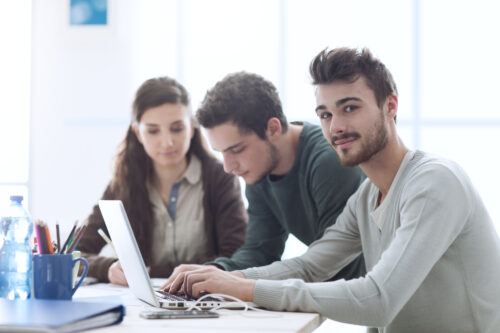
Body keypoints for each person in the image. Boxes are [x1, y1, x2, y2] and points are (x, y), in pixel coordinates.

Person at [164, 48, 500, 332]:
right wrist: (225, 279)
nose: (335, 127)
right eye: (325, 114)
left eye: (349, 108)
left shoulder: (434, 182)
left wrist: (248, 288)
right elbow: (310, 267)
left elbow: (378, 298)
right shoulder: (367, 197)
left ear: (390, 106)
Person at [163, 72, 367, 284]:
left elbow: (329, 264)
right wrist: (214, 272)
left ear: (273, 129)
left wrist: (238, 280)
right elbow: (259, 252)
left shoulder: (329, 162)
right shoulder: (260, 170)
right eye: (221, 152)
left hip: (367, 302)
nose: (228, 167)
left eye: (237, 149)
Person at [77, 77, 247, 285]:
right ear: (138, 133)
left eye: (177, 129)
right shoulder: (124, 183)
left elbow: (236, 256)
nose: (167, 143)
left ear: (192, 127)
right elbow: (75, 253)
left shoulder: (220, 178)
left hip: (203, 297)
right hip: (143, 305)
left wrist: (151, 271)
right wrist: (107, 268)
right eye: (153, 131)